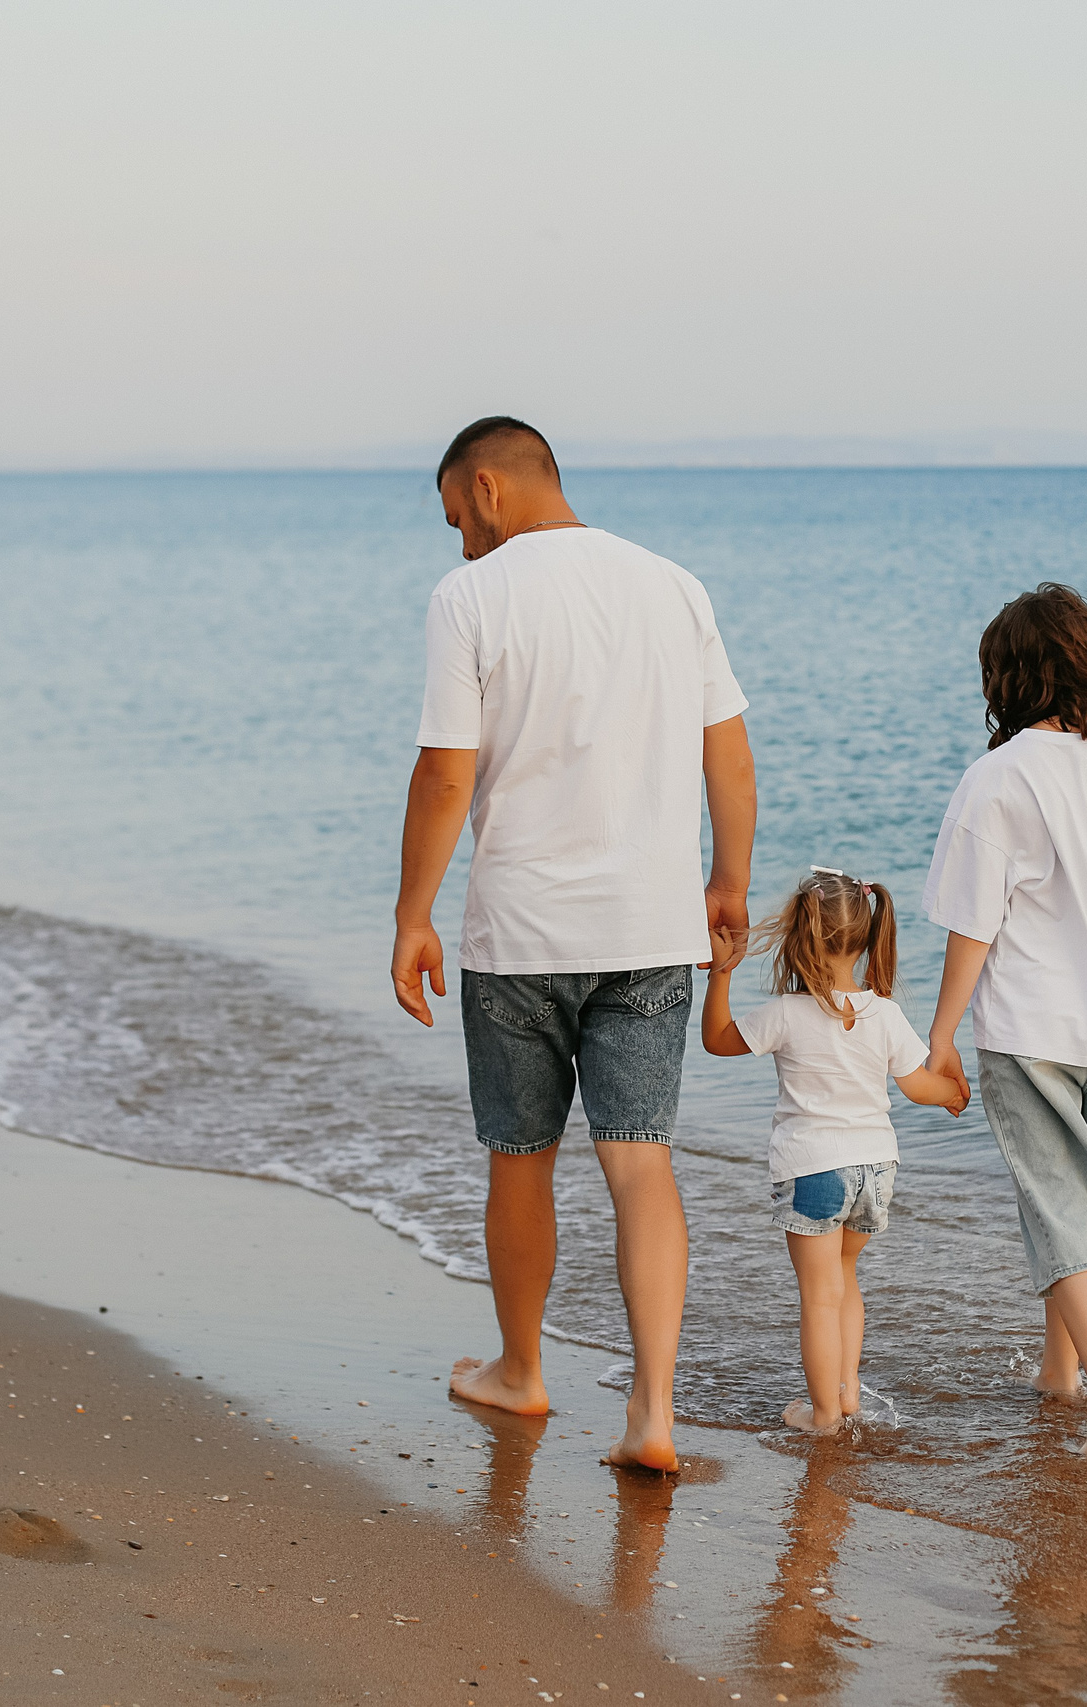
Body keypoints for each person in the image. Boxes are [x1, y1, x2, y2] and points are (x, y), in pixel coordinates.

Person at [392, 416, 757, 1473]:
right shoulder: (673, 586)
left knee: (520, 1157)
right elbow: (726, 755)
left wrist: (413, 914)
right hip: (649, 930)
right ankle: (651, 1413)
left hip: (520, 932)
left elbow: (446, 774)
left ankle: (521, 1372)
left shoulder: (470, 597)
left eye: (459, 517)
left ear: (491, 487)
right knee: (640, 1160)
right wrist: (726, 881)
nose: (460, 539)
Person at [921, 584, 1087, 1459]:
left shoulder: (999, 777)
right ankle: (1059, 1372)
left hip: (1030, 1025)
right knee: (1086, 1202)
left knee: (1062, 1203)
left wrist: (940, 1033)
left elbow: (973, 922)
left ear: (1007, 677)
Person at [699, 868, 968, 1434]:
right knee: (845, 1278)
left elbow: (718, 1039)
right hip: (876, 1168)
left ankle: (822, 1415)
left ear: (801, 936)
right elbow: (919, 1087)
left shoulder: (788, 1013)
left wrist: (721, 975)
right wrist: (954, 1095)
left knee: (819, 1294)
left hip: (814, 1168)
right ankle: (845, 1394)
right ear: (867, 937)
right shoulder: (884, 1012)